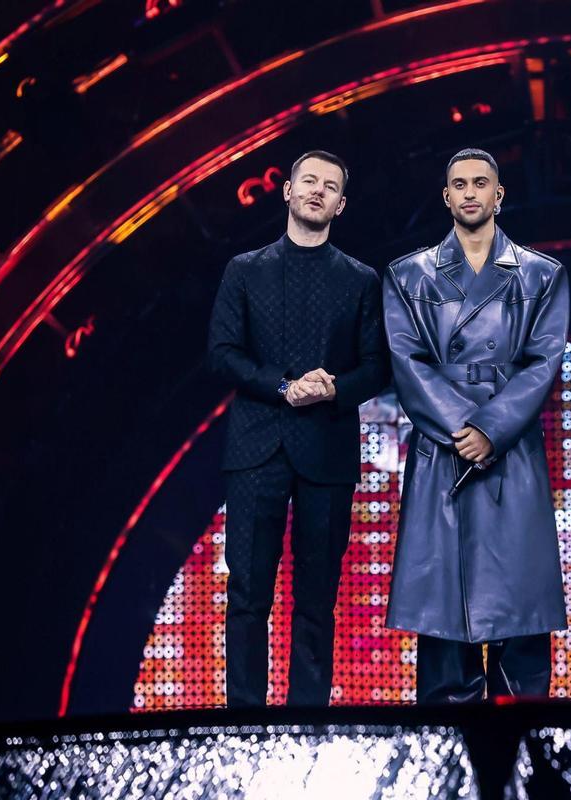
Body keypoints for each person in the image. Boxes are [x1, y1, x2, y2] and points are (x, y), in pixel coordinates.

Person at [383, 148, 569, 702]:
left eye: (480, 183)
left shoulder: (541, 273)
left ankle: (526, 757)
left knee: (520, 604)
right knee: (444, 611)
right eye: (459, 184)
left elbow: (544, 361)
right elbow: (406, 360)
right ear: (446, 197)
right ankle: (451, 763)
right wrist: (463, 426)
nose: (469, 192)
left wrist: (491, 428)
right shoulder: (407, 274)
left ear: (498, 194)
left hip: (509, 450)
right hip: (442, 451)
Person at [208, 150, 390, 707]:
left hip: (326, 451)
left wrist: (332, 388)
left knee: (316, 598)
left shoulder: (359, 279)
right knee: (247, 595)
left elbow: (377, 365)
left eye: (329, 185)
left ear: (340, 203)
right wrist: (285, 386)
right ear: (286, 191)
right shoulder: (245, 269)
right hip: (255, 447)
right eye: (307, 181)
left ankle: (308, 722)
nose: (317, 191)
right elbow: (221, 353)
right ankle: (243, 722)